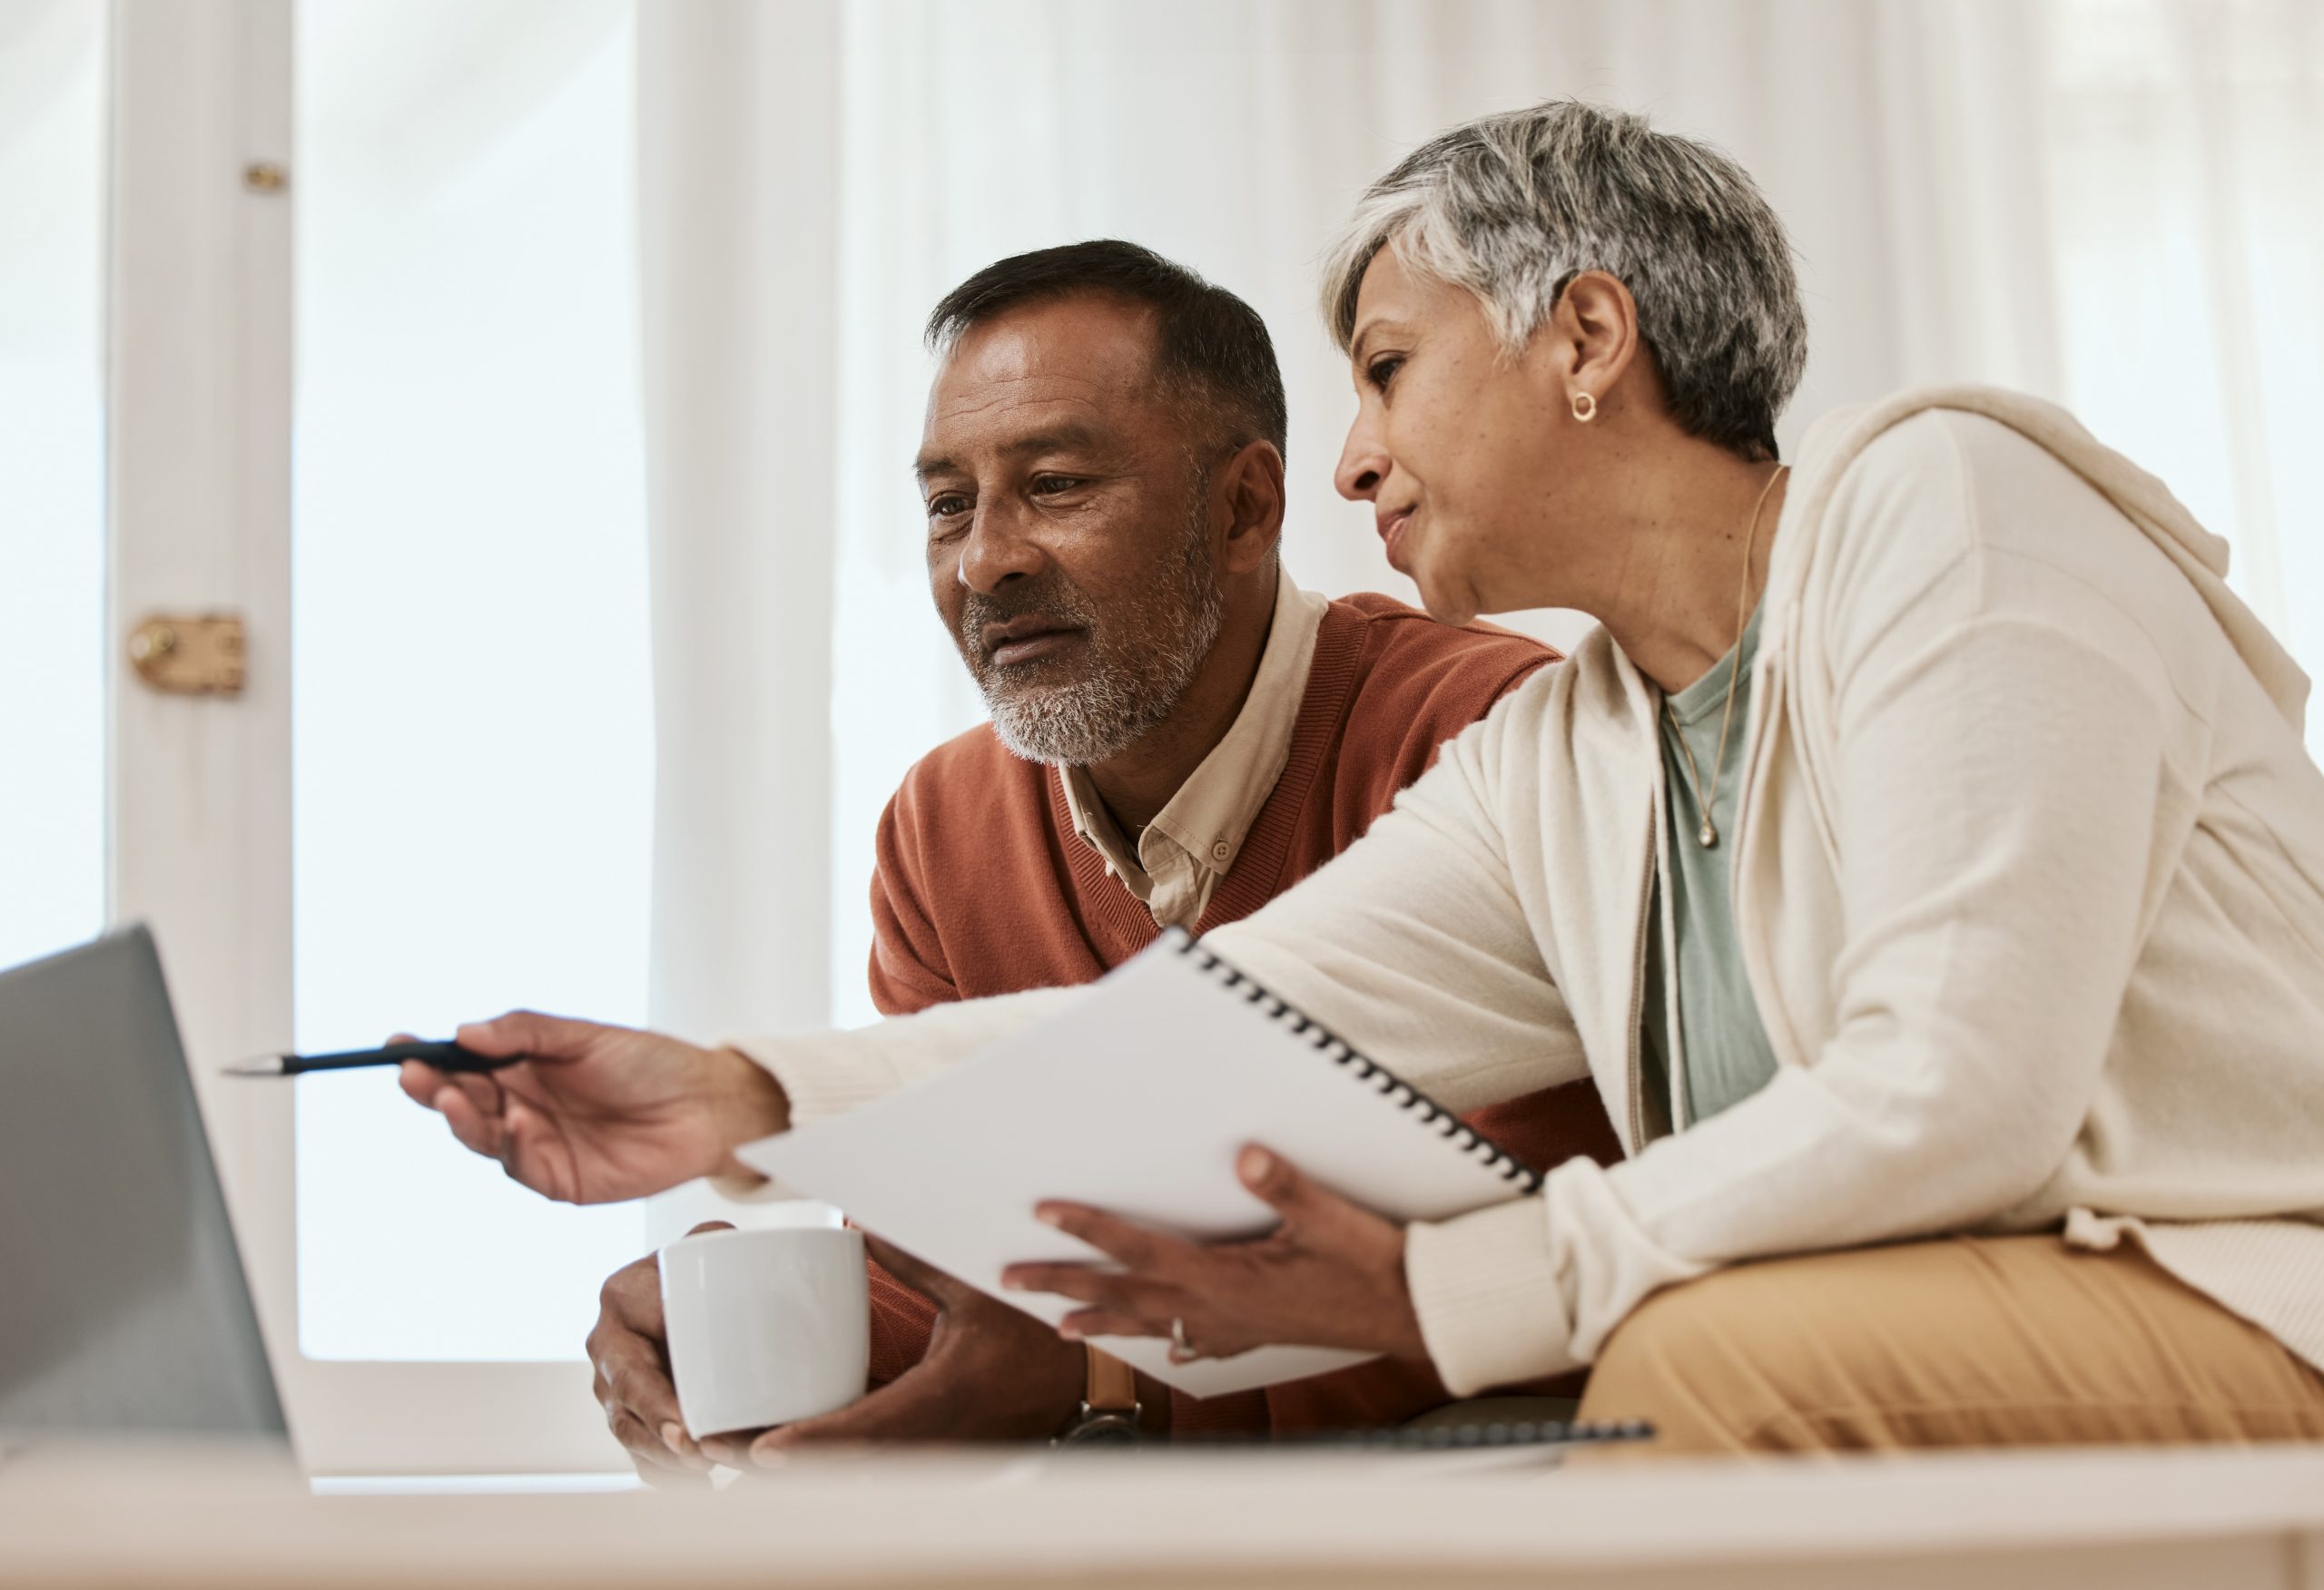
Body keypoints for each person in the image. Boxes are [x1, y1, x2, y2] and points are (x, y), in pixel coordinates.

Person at [409, 104, 2324, 1457]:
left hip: (2227, 1292)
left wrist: (1444, 1295)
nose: (1344, 465)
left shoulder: (1939, 504)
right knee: (1693, 1355)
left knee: (1698, 1361)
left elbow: (1954, 1091)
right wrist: (742, 1098)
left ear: (1583, 335)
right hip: (1929, 1321)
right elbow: (1218, 1022)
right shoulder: (1572, 751)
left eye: (1386, 369)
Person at [562, 240, 1616, 1480]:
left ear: (1245, 508)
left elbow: (1537, 1276)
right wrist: (755, 1325)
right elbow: (964, 1280)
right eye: (949, 504)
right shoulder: (940, 828)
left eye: (1054, 485)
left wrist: (1091, 1372)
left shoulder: (1487, 738)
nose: (984, 562)